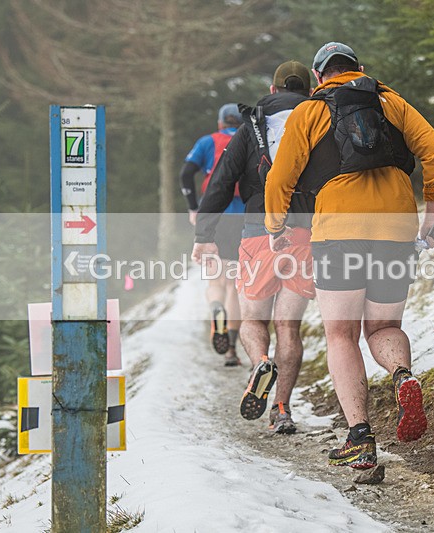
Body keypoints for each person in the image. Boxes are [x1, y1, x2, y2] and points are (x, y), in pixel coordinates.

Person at [264, 42, 434, 468]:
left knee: (341, 334)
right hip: (396, 228)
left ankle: (360, 438)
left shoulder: (308, 113)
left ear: (318, 77)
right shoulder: (391, 101)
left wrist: (276, 228)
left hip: (339, 232)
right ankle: (403, 376)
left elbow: (280, 178)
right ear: (360, 70)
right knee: (383, 325)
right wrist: (432, 215)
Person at [192, 61, 315, 434]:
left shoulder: (251, 127)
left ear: (274, 90)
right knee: (289, 328)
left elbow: (220, 181)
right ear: (308, 90)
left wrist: (203, 235)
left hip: (257, 230)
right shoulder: (318, 120)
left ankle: (260, 360)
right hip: (304, 233)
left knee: (253, 320)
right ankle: (282, 408)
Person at [179, 104, 244, 366]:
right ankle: (231, 350)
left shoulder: (207, 142)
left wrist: (193, 207)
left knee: (215, 281)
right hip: (243, 216)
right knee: (234, 285)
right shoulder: (249, 139)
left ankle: (215, 308)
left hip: (213, 214)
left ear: (220, 123)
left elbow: (186, 174)